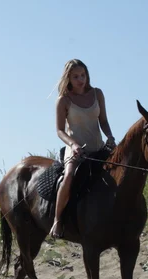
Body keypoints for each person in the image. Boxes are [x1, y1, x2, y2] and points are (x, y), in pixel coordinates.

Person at [49, 59, 116, 239]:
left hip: (98, 146)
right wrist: (73, 145)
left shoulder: (97, 93)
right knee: (69, 176)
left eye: (83, 75)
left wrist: (110, 136)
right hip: (76, 149)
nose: (81, 80)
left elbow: (103, 121)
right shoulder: (63, 100)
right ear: (68, 78)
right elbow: (59, 130)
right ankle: (58, 219)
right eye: (76, 76)